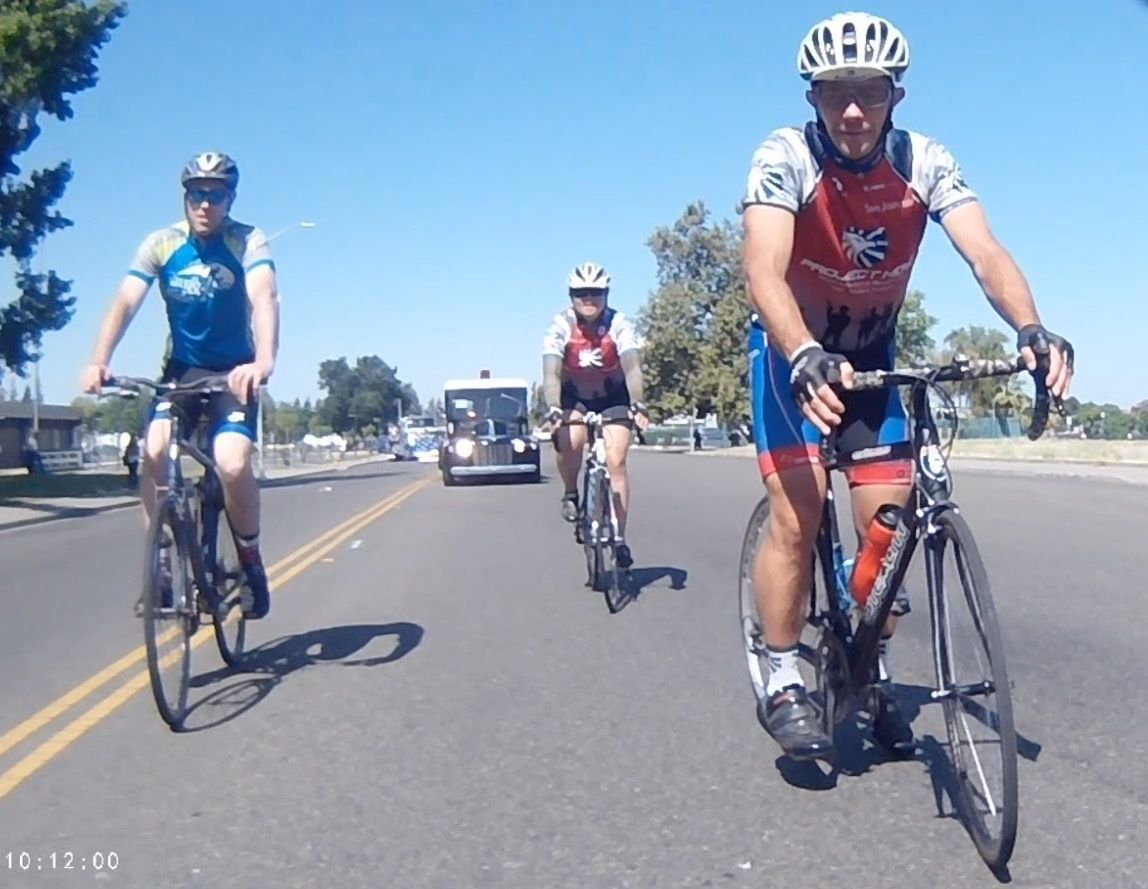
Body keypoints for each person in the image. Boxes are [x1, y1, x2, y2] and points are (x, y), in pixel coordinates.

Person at [740, 12, 1074, 759]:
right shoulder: (784, 155)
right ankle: (783, 674)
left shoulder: (924, 161)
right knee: (799, 514)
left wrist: (1030, 327)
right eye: (835, 92)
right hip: (793, 357)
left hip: (873, 357)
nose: (853, 110)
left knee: (887, 535)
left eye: (870, 91)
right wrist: (801, 351)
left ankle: (869, 661)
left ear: (897, 95)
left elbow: (984, 251)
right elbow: (763, 268)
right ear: (813, 97)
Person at [79, 151, 280, 619]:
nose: (205, 204)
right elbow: (126, 300)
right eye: (196, 194)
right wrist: (98, 360)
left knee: (232, 463)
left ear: (230, 199)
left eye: (216, 195)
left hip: (234, 371)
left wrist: (264, 360)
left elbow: (264, 296)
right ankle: (164, 570)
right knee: (154, 451)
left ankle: (250, 561)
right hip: (183, 371)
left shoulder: (246, 239)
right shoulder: (163, 243)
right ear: (185, 198)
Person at [541, 262, 650, 569]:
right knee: (571, 440)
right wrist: (553, 406)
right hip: (574, 397)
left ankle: (619, 539)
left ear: (606, 294)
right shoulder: (560, 325)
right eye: (581, 293)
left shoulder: (619, 323)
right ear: (571, 296)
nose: (588, 299)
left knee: (616, 461)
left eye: (596, 293)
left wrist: (638, 402)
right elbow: (551, 372)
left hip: (612, 396)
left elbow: (632, 366)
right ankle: (571, 492)